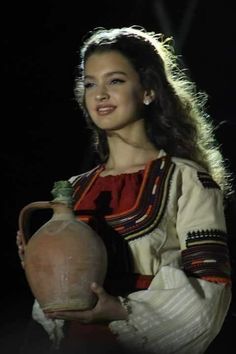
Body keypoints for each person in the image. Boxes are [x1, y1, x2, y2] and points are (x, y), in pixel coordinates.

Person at [16, 25, 233, 354]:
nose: (99, 94)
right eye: (90, 83)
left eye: (115, 81)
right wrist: (40, 262)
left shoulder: (186, 181)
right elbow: (55, 302)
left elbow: (213, 289)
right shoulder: (75, 190)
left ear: (147, 90)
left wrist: (119, 310)